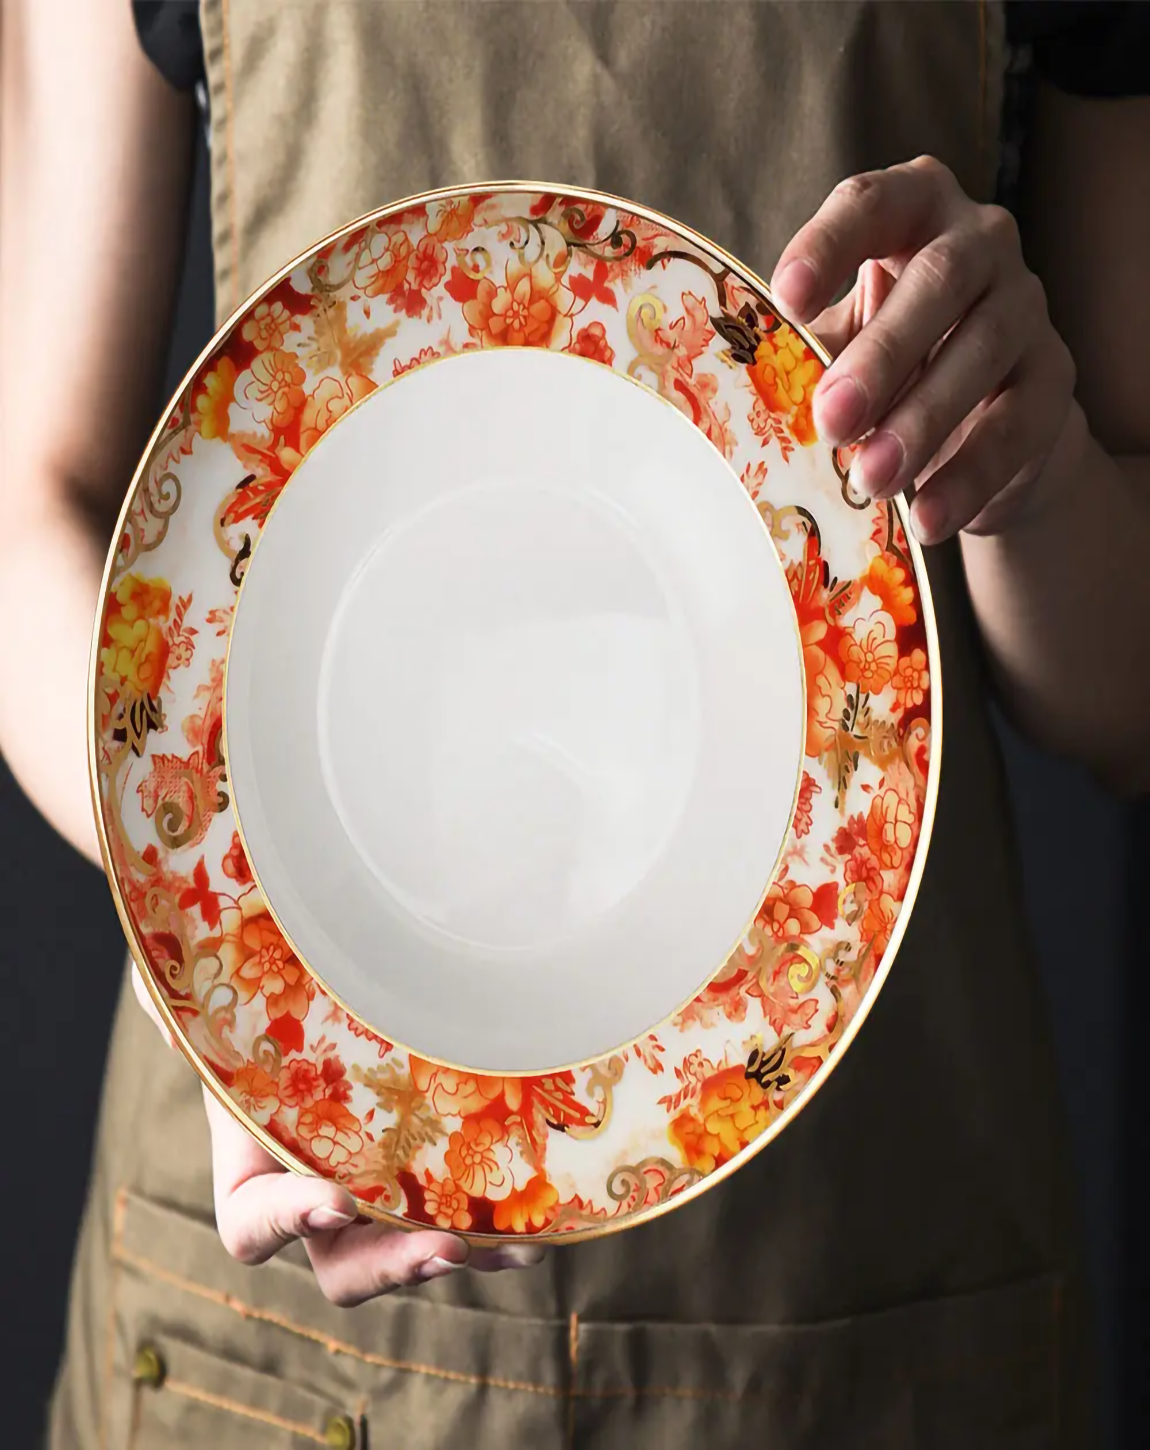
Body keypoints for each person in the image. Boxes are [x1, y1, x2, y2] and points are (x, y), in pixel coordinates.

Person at [3, 1, 1148, 1445]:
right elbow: (28, 507)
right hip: (287, 1264)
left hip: (860, 1274)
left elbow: (1121, 702)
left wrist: (1030, 472)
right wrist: (216, 950)